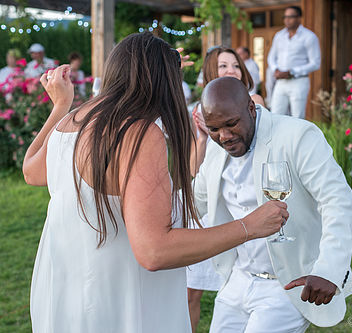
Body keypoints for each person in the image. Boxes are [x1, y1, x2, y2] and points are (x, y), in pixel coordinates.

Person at [22, 32, 288, 333]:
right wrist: (249, 227)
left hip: (66, 297)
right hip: (120, 304)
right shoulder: (138, 132)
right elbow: (154, 250)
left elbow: (31, 171)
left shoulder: (72, 121)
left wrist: (60, 106)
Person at [193, 77, 352, 332]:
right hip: (235, 280)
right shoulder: (216, 150)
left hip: (286, 286)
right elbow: (194, 202)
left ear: (250, 108)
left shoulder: (298, 135)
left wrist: (329, 270)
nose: (223, 136)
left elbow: (338, 200)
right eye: (214, 129)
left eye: (231, 124)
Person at [187, 46, 267, 332]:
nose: (231, 70)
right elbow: (192, 170)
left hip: (238, 203)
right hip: (209, 197)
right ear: (210, 71)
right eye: (223, 66)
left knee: (235, 275)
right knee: (190, 290)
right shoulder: (199, 111)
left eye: (235, 65)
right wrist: (200, 137)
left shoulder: (252, 102)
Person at [267, 6, 321, 119]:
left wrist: (292, 71)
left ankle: (296, 137)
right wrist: (275, 69)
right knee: (275, 115)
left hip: (299, 81)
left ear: (299, 18)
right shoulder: (279, 36)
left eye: (291, 17)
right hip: (280, 82)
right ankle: (278, 137)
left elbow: (315, 63)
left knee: (297, 117)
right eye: (285, 17)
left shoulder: (309, 37)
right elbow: (271, 57)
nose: (287, 20)